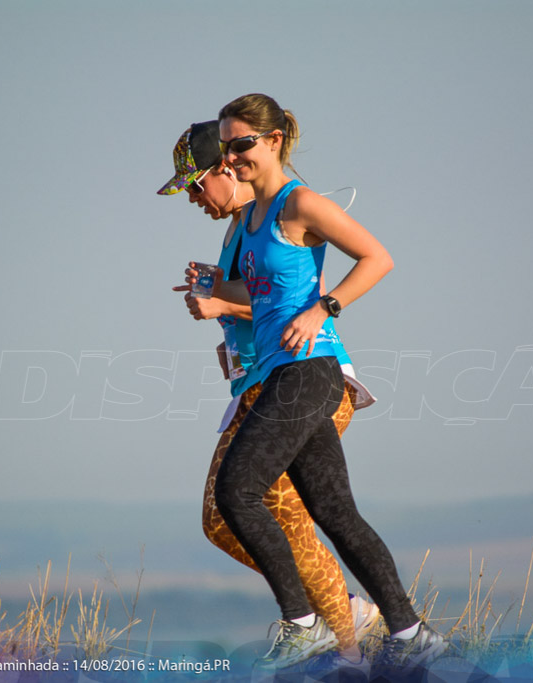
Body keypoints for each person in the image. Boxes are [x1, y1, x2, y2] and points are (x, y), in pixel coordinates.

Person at [205, 94, 448, 676]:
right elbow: (258, 295)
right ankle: (414, 635)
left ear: (275, 141)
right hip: (277, 370)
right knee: (336, 513)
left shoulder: (300, 204)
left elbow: (377, 256)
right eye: (226, 148)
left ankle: (305, 628)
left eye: (242, 145)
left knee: (238, 491)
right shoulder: (254, 218)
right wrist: (220, 296)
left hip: (310, 368)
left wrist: (326, 307)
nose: (233, 157)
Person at [157, 121, 380, 663]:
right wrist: (219, 292)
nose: (191, 197)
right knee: (221, 520)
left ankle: (340, 633)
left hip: (303, 379)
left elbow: (296, 297)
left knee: (277, 508)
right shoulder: (237, 230)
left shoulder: (279, 215)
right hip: (258, 386)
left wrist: (223, 304)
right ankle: (338, 620)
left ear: (226, 170)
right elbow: (255, 297)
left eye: (195, 184)